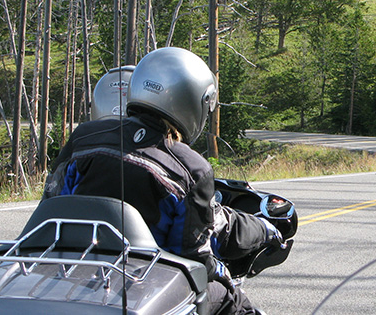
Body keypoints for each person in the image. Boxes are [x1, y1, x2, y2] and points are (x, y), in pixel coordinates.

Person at [44, 47, 277, 315]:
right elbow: (191, 257)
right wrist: (224, 273)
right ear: (193, 99)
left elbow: (52, 206)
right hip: (143, 287)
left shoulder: (83, 137)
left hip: (67, 275)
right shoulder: (191, 169)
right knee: (231, 299)